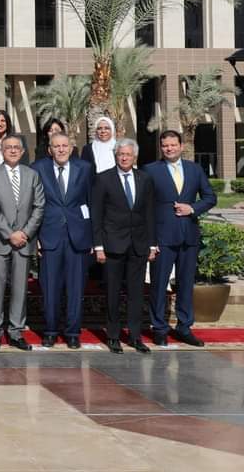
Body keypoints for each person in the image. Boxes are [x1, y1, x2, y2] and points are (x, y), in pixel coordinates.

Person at [145, 130, 217, 347]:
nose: (169, 148)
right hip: (162, 237)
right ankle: (158, 328)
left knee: (186, 284)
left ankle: (184, 327)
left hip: (189, 236)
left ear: (181, 146)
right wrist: (150, 240)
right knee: (159, 284)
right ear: (161, 147)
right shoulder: (150, 171)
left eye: (173, 145)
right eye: (165, 145)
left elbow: (210, 197)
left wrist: (192, 208)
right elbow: (144, 207)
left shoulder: (194, 170)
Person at [92, 139, 156, 354]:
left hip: (138, 244)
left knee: (136, 293)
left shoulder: (145, 179)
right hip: (112, 244)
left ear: (134, 156)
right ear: (115, 155)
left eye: (128, 154)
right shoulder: (103, 179)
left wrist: (152, 245)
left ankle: (135, 336)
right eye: (121, 154)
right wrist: (98, 246)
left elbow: (149, 214)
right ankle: (113, 335)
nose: (124, 157)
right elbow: (97, 215)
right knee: (113, 292)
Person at [31, 131, 94, 348]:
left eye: (64, 146)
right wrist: (36, 237)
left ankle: (73, 332)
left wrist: (93, 238)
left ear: (71, 148)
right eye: (56, 146)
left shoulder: (84, 168)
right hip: (49, 236)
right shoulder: (38, 168)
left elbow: (90, 202)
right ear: (49, 149)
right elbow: (34, 204)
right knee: (50, 287)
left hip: (78, 236)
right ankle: (50, 330)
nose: (61, 149)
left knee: (76, 288)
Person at [0, 134, 44, 351]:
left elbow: (39, 207)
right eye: (8, 147)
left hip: (24, 242)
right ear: (1, 150)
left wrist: (25, 233)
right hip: (0, 240)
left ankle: (16, 331)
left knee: (20, 288)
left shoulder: (32, 175)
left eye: (17, 147)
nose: (13, 150)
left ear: (23, 151)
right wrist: (10, 233)